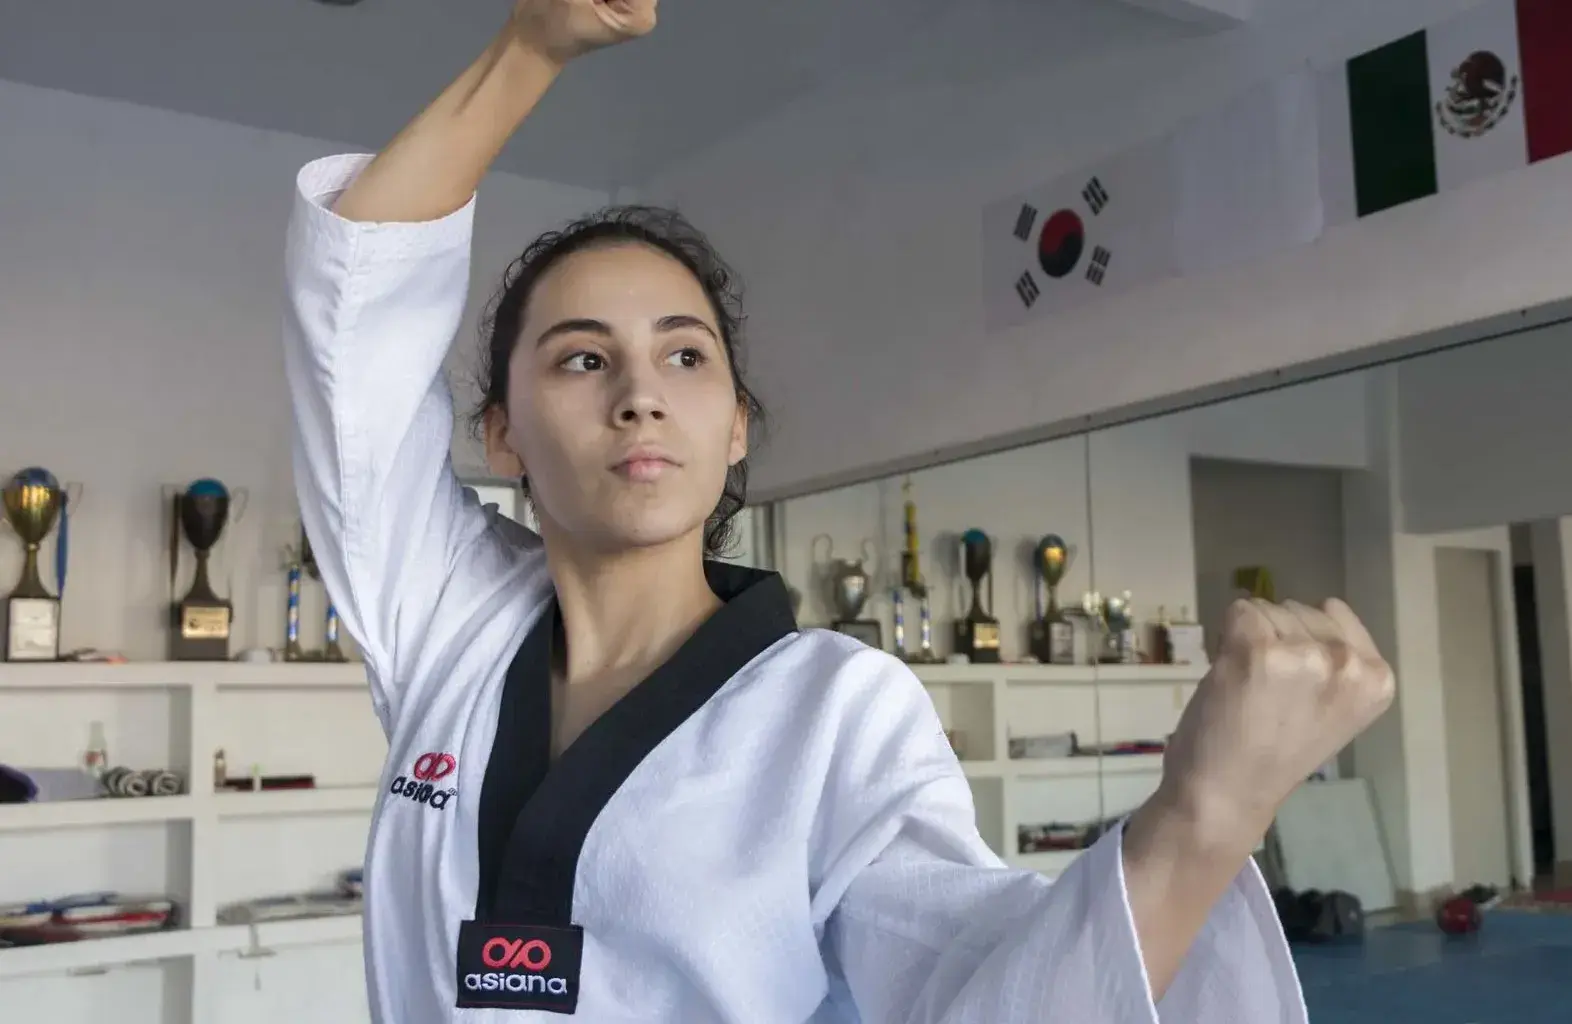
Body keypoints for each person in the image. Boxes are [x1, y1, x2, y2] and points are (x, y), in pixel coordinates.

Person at [281, 1, 1396, 1020]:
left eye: (684, 354)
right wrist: (531, 46)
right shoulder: (450, 623)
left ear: (735, 427)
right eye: (582, 358)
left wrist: (1207, 815)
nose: (640, 395)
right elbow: (355, 328)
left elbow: (981, 986)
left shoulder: (833, 711)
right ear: (501, 434)